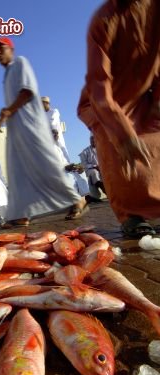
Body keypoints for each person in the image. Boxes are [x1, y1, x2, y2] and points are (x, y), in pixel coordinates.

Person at [78, 0, 160, 238]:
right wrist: (122, 133)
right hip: (101, 102)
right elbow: (99, 83)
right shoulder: (104, 20)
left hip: (145, 98)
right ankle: (131, 215)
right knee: (113, 143)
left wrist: (156, 104)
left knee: (154, 141)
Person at [0, 37, 87, 225]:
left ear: (10, 48)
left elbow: (27, 92)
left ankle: (77, 200)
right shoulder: (7, 75)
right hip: (17, 131)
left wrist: (9, 110)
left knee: (45, 165)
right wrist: (5, 113)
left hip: (32, 127)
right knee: (17, 171)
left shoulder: (20, 63)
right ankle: (21, 213)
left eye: (1, 48)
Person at [41, 96, 70, 162]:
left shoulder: (54, 111)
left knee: (62, 150)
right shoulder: (42, 114)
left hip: (57, 135)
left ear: (47, 103)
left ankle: (69, 167)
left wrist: (54, 132)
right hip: (49, 136)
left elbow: (53, 121)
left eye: (42, 103)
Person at [79, 135, 106, 199]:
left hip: (102, 167)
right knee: (95, 173)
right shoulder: (85, 152)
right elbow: (84, 165)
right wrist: (95, 166)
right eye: (92, 141)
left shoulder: (102, 149)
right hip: (90, 170)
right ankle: (105, 191)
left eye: (95, 140)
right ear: (90, 141)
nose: (93, 142)